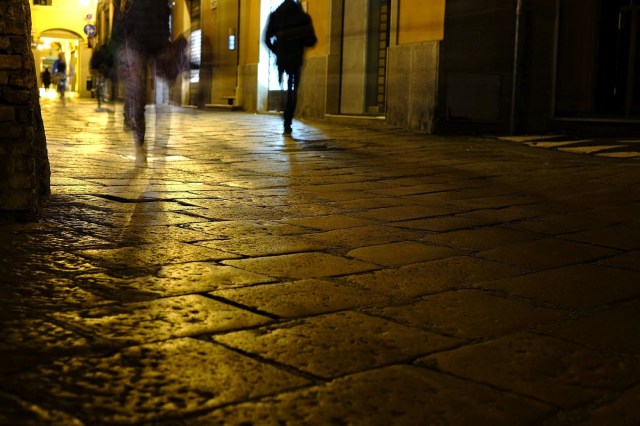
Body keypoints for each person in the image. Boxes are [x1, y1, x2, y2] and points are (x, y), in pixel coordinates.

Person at [112, 0, 188, 163]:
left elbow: (168, 17)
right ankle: (140, 146)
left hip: (157, 44)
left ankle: (150, 142)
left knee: (146, 94)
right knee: (138, 93)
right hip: (137, 46)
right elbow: (119, 27)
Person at [264, 0, 317, 135]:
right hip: (296, 58)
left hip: (282, 59)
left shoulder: (275, 15)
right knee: (293, 90)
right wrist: (300, 42)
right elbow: (311, 40)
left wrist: (276, 50)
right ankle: (288, 121)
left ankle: (284, 112)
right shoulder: (303, 17)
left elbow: (266, 39)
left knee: (284, 85)